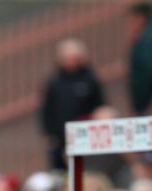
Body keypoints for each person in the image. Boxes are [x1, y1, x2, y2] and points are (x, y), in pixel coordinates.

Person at [39, 39, 105, 170]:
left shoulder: (90, 79)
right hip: (60, 137)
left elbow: (100, 106)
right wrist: (47, 133)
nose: (70, 62)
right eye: (67, 58)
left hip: (84, 136)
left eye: (74, 58)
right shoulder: (54, 82)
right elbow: (46, 110)